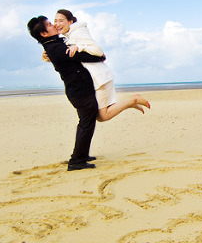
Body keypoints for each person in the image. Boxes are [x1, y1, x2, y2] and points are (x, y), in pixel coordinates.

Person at [27, 15, 103, 171]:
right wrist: (100, 56)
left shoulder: (54, 45)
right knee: (86, 124)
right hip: (79, 91)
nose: (54, 25)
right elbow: (89, 57)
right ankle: (76, 161)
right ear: (44, 33)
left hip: (78, 89)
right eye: (49, 24)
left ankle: (82, 155)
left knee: (86, 123)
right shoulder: (55, 48)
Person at [53, 9, 150, 121]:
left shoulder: (78, 33)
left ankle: (133, 100)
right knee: (102, 114)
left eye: (61, 21)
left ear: (70, 22)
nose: (57, 24)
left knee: (103, 116)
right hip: (96, 78)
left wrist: (79, 47)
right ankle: (131, 102)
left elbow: (98, 51)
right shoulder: (69, 35)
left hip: (100, 77)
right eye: (55, 21)